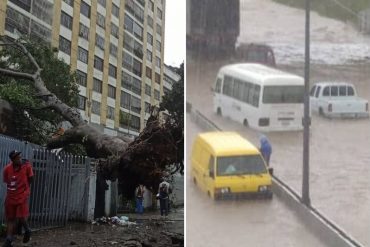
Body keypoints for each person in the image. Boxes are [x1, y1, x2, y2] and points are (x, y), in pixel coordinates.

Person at [2, 150, 34, 247]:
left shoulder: (27, 166)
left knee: (21, 216)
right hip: (11, 196)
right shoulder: (7, 169)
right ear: (13, 160)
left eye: (20, 156)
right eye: (17, 158)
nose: (20, 158)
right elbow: (7, 181)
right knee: (10, 218)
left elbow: (31, 179)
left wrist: (25, 188)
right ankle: (8, 239)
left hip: (22, 195)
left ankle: (28, 231)